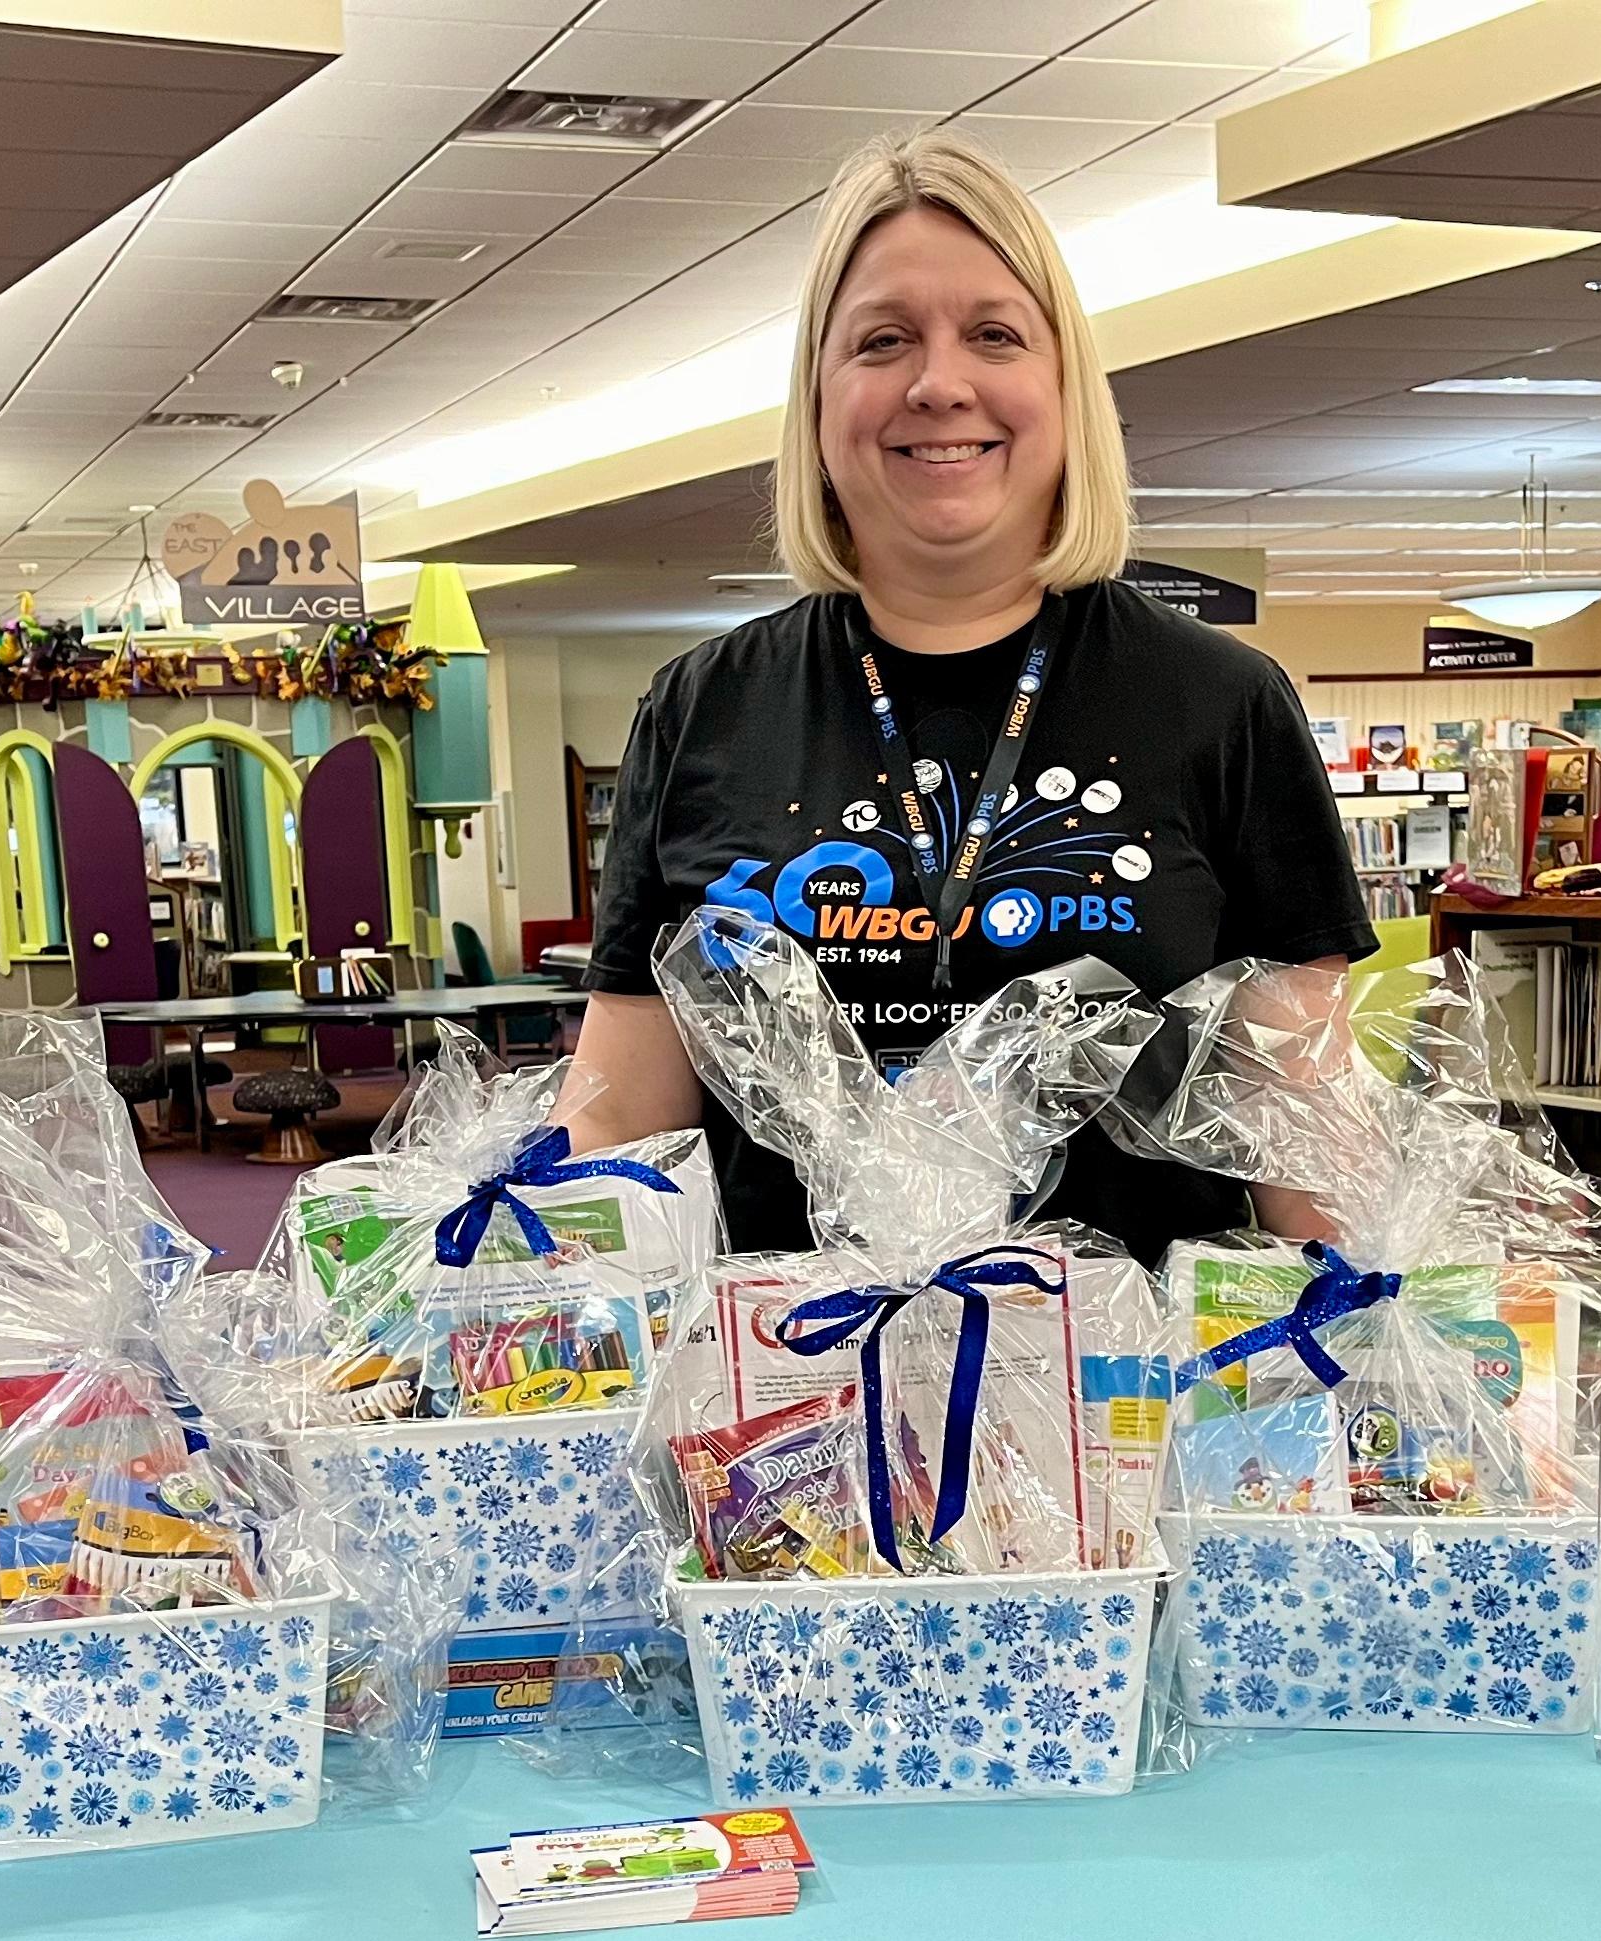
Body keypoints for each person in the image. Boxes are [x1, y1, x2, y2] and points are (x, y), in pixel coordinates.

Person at [567, 133, 1361, 1262]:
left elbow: (1306, 1138)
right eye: (882, 341)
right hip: (783, 1405)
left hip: (1132, 1410)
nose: (939, 383)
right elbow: (622, 1120)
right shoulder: (705, 707)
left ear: (1063, 387)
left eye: (994, 334)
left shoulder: (1220, 702)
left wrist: (1403, 1355)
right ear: (819, 397)